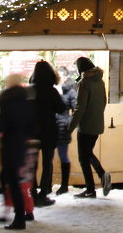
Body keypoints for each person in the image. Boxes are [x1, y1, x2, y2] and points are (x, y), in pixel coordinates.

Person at [0, 75, 34, 230]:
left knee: (11, 181)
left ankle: (19, 217)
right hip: (21, 145)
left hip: (10, 146)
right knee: (14, 180)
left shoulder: (7, 102)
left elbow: (2, 125)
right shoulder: (26, 102)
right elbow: (32, 126)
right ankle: (20, 213)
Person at [69, 57, 110, 199]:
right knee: (88, 154)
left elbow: (79, 108)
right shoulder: (100, 82)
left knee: (83, 157)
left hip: (85, 126)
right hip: (97, 125)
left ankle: (93, 187)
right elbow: (104, 102)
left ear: (81, 69)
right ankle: (100, 178)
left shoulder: (84, 83)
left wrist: (70, 128)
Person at [29, 62, 62, 207]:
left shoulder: (30, 91)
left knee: (32, 165)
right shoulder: (52, 91)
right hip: (49, 130)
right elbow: (61, 108)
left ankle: (33, 194)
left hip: (33, 131)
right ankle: (43, 193)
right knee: (47, 164)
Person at [53, 67, 76, 195]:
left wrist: (68, 122)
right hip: (52, 125)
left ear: (66, 77)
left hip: (62, 127)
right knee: (49, 156)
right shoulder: (52, 90)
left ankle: (64, 185)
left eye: (61, 75)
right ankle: (47, 185)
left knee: (63, 156)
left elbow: (75, 108)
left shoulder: (70, 92)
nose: (59, 77)